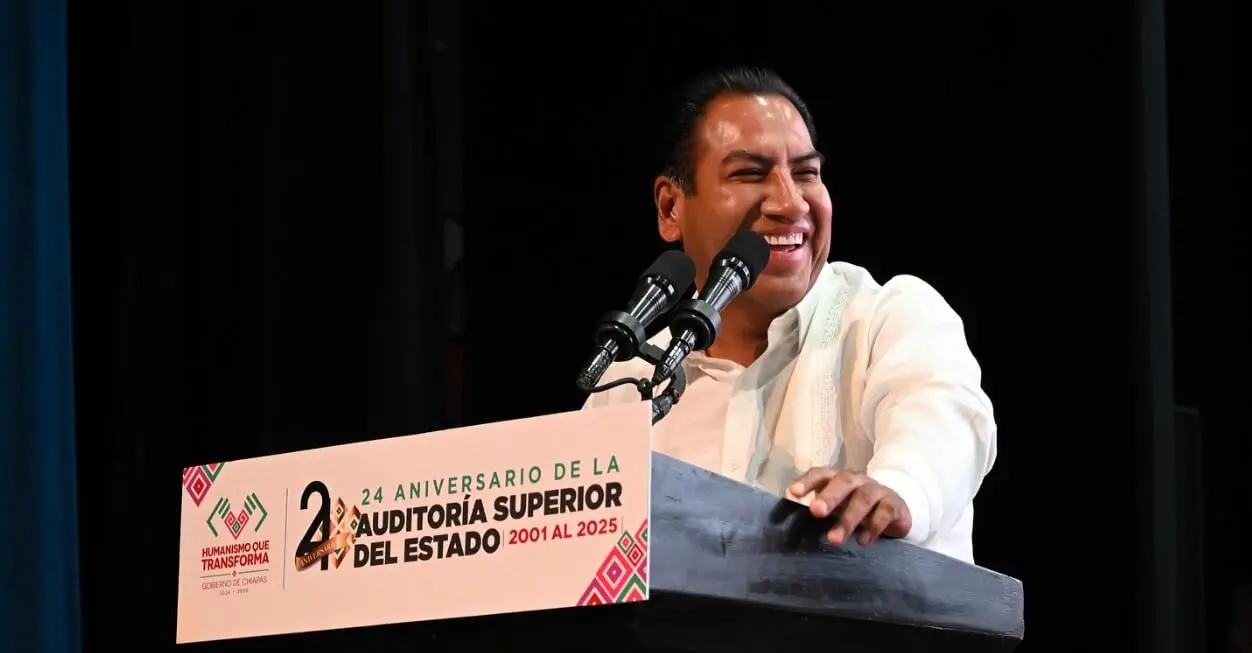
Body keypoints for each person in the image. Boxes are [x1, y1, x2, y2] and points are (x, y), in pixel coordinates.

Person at [583, 66, 997, 565]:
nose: (790, 201)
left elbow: (945, 418)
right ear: (672, 208)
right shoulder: (628, 385)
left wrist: (897, 489)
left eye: (806, 173)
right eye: (751, 173)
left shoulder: (887, 318)